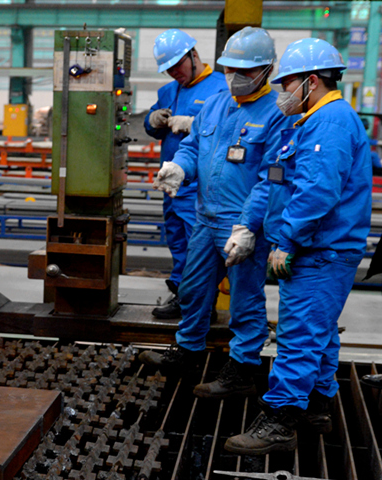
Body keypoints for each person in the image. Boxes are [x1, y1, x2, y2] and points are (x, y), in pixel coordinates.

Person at [225, 38, 372, 455]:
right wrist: (250, 223)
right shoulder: (308, 121)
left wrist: (286, 240)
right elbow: (275, 180)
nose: (279, 92)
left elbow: (317, 193)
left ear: (311, 81)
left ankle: (280, 420)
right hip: (320, 249)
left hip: (320, 251)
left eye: (286, 83)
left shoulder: (331, 123)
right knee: (320, 331)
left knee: (299, 333)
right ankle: (316, 404)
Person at [139, 27, 295, 397]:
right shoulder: (215, 104)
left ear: (266, 71)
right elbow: (193, 147)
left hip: (240, 224)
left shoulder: (277, 114)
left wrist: (248, 226)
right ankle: (188, 353)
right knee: (193, 290)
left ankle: (242, 367)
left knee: (245, 298)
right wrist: (179, 167)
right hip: (205, 218)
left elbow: (270, 177)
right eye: (230, 69)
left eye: (245, 71)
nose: (235, 78)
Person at [144, 29, 228, 320]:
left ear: (194, 56)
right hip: (171, 184)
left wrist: (195, 124)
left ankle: (201, 305)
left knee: (200, 248)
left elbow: (229, 131)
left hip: (200, 186)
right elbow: (151, 125)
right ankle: (182, 295)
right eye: (167, 69)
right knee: (178, 241)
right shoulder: (169, 91)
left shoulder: (221, 88)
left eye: (177, 66)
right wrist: (152, 119)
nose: (173, 73)